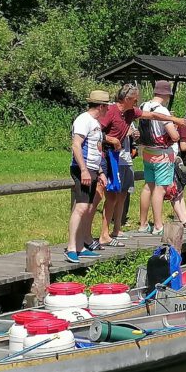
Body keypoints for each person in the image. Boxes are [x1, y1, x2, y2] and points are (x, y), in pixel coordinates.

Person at [98, 84, 184, 246]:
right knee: (106, 196)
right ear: (127, 98)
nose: (138, 101)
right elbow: (96, 131)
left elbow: (152, 115)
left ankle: (108, 232)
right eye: (136, 98)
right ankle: (103, 234)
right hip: (106, 156)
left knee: (115, 195)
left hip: (117, 157)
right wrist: (112, 139)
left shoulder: (130, 112)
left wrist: (173, 119)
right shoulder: (111, 111)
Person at [67, 90, 110, 263]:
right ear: (101, 106)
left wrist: (100, 172)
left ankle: (80, 246)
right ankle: (71, 247)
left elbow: (95, 150)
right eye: (106, 106)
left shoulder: (95, 123)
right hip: (81, 169)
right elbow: (76, 146)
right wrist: (84, 170)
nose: (108, 109)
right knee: (81, 208)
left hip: (92, 169)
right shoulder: (83, 120)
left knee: (88, 208)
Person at [136, 80, 181, 236]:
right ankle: (158, 225)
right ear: (166, 94)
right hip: (162, 154)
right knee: (160, 189)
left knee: (148, 186)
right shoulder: (163, 111)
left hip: (147, 152)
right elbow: (174, 136)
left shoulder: (143, 106)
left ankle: (142, 224)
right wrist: (176, 127)